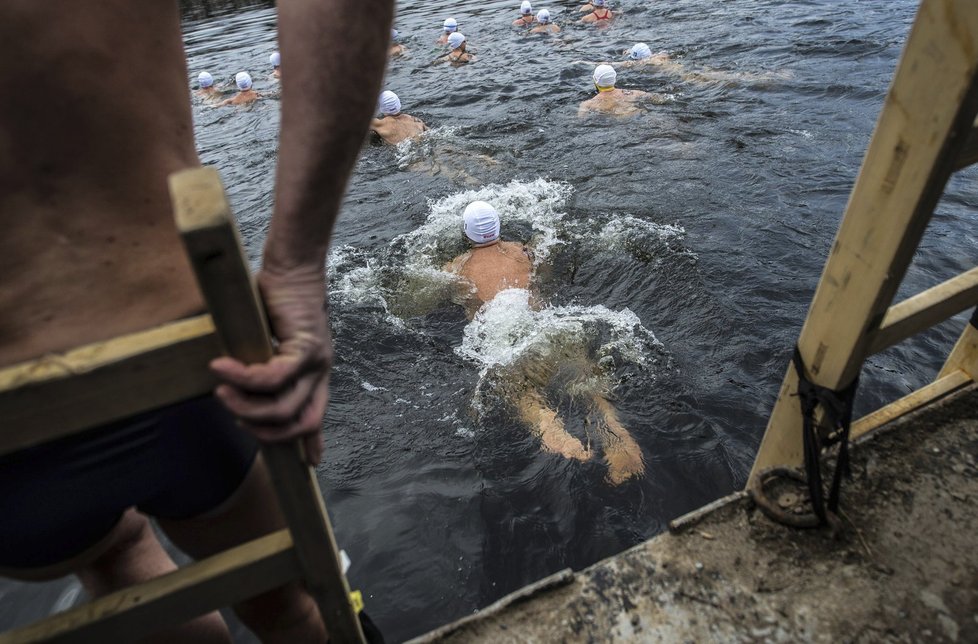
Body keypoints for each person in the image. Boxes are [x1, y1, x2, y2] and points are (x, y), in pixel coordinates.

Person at [0, 0, 393, 642]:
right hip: (182, 349)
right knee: (292, 606)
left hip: (11, 437)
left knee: (118, 556)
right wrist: (295, 264)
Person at [443, 202, 645, 485]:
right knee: (584, 377)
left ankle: (546, 425)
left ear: (467, 233)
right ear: (498, 227)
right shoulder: (524, 251)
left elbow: (450, 297)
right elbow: (545, 276)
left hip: (508, 337)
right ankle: (614, 430)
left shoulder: (457, 267)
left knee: (520, 391)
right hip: (548, 327)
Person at [578, 64, 661, 116]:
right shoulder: (635, 93)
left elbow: (581, 121)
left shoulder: (588, 104)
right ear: (614, 79)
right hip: (638, 114)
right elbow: (660, 98)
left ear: (595, 81)